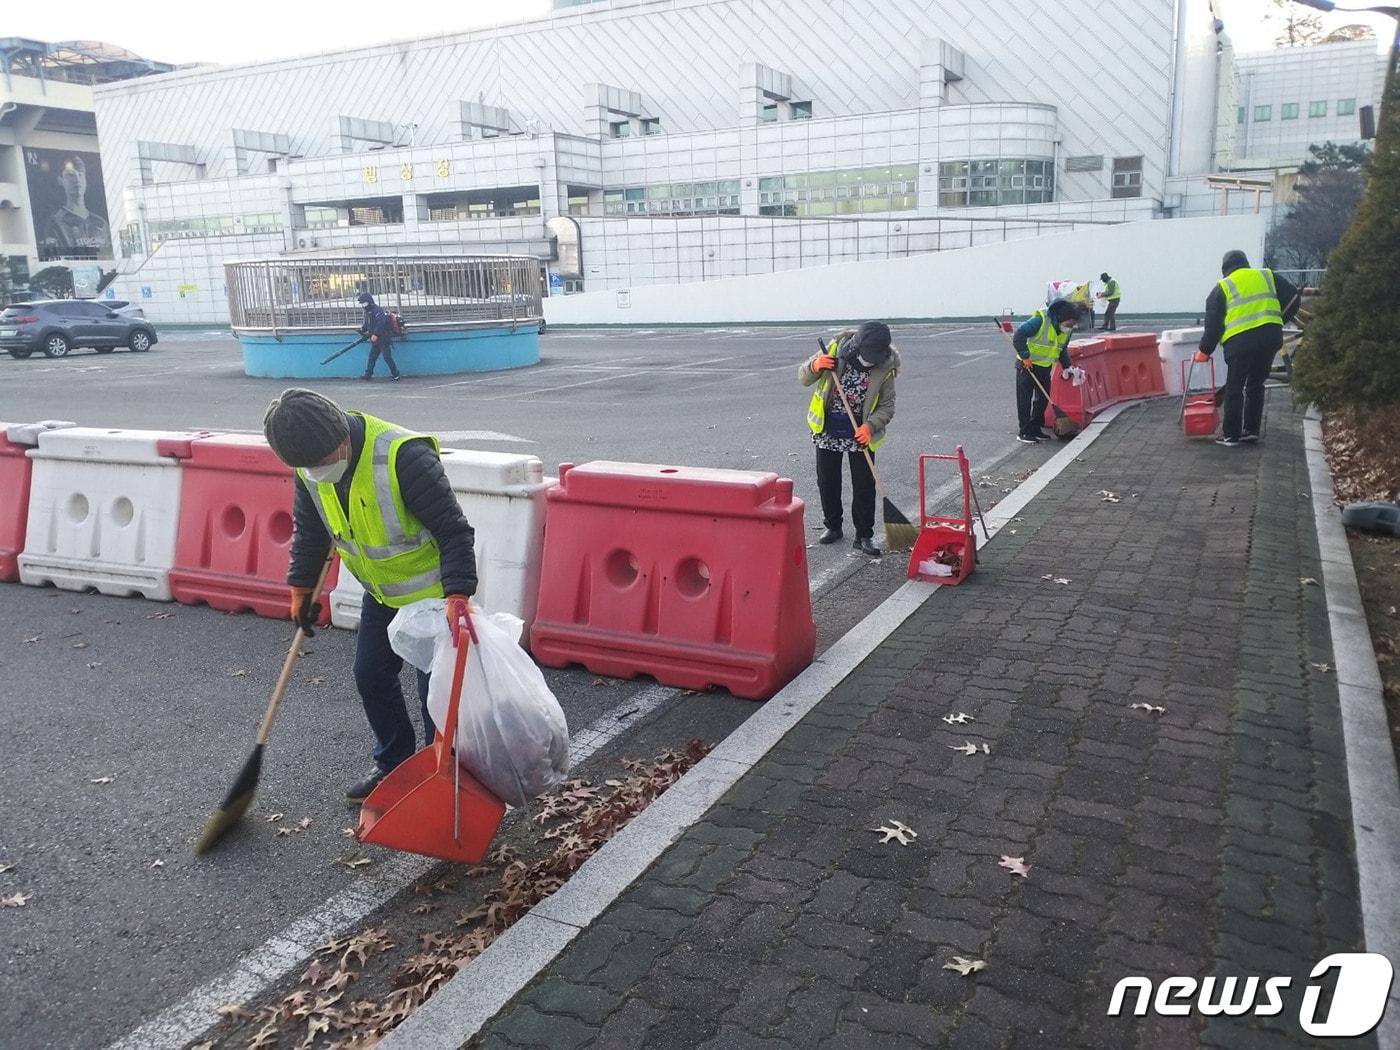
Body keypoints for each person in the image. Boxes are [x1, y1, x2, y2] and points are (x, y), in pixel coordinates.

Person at [263, 388, 478, 802]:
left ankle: (443, 776)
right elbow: (311, 533)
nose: (316, 471)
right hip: (381, 594)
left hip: (434, 598)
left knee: (434, 694)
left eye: (321, 462)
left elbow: (454, 531)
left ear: (341, 437)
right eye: (306, 467)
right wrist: (302, 590)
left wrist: (458, 595)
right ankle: (393, 764)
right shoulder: (309, 466)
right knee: (370, 675)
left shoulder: (403, 456)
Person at [798, 321, 899, 557]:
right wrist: (816, 365)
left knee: (864, 484)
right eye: (867, 355)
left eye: (875, 356)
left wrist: (870, 425)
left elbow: (887, 405)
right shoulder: (834, 350)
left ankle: (864, 535)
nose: (870, 360)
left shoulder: (886, 366)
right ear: (857, 346)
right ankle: (833, 526)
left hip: (860, 431)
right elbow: (803, 376)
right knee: (828, 481)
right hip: (828, 427)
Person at [1194, 250, 1300, 447]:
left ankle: (1231, 436)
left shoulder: (1222, 287)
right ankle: (1251, 430)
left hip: (1240, 344)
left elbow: (1213, 326)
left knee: (1235, 387)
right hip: (1270, 339)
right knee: (1256, 384)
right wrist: (1278, 320)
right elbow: (1294, 297)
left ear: (1225, 269)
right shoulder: (1266, 275)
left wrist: (1204, 351)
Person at [1011, 298, 1076, 443]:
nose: (1070, 327)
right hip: (1027, 365)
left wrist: (1067, 366)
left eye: (1072, 324)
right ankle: (1024, 432)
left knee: (1042, 399)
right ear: (1060, 318)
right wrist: (1025, 356)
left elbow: (1062, 349)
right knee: (1024, 400)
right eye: (1069, 323)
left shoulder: (1066, 330)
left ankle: (1035, 428)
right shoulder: (1040, 320)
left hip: (1045, 367)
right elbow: (1019, 335)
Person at [357, 291, 401, 381]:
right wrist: (362, 329)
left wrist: (376, 334)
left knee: (387, 357)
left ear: (369, 301)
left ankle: (396, 374)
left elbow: (381, 323)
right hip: (375, 339)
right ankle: (368, 375)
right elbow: (367, 324)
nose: (363, 305)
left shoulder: (377, 310)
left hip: (383, 338)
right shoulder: (367, 312)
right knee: (372, 357)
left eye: (363, 303)